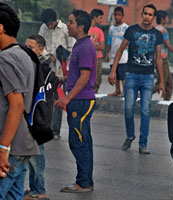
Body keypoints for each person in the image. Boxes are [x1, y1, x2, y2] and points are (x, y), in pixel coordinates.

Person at [108, 4, 165, 154]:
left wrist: (162, 81)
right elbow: (120, 50)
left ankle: (143, 144)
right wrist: (113, 71)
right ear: (142, 14)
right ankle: (130, 136)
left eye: (150, 14)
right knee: (128, 109)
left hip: (148, 77)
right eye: (145, 13)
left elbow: (158, 59)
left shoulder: (157, 35)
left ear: (153, 17)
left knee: (145, 110)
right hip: (131, 75)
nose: (147, 16)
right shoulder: (131, 30)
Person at [0, 3, 40, 199]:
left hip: (11, 148)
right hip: (24, 143)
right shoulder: (25, 54)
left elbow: (16, 104)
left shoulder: (5, 59)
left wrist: (2, 149)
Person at [55, 9, 97, 193]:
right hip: (78, 99)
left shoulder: (86, 47)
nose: (67, 25)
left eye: (71, 22)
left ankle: (84, 182)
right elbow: (78, 73)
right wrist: (64, 79)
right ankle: (85, 180)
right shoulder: (80, 45)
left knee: (78, 141)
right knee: (83, 141)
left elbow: (85, 77)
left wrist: (68, 97)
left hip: (81, 101)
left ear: (81, 27)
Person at [39, 8, 76, 139]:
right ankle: (47, 126)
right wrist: (49, 56)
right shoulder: (43, 28)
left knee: (60, 97)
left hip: (64, 67)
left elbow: (72, 46)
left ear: (56, 19)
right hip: (49, 66)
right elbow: (40, 44)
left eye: (51, 24)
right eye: (47, 24)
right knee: (48, 97)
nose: (49, 26)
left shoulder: (65, 28)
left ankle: (56, 130)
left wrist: (62, 56)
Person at [23, 34, 51, 200]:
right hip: (30, 118)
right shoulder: (31, 65)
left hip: (37, 119)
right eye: (26, 46)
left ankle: (39, 190)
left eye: (31, 47)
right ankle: (34, 188)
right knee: (32, 157)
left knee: (36, 157)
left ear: (41, 50)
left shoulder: (42, 68)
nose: (27, 50)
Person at [105, 6, 129, 97]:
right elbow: (109, 41)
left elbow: (130, 40)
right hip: (113, 54)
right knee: (115, 74)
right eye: (115, 14)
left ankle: (125, 91)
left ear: (122, 16)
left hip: (123, 55)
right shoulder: (111, 28)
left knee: (123, 74)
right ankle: (117, 90)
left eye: (119, 15)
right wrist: (107, 53)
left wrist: (127, 47)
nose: (117, 16)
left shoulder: (126, 27)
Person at [89, 9, 105, 94]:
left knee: (97, 77)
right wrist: (95, 45)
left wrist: (90, 46)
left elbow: (102, 46)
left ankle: (95, 92)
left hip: (98, 57)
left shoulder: (99, 31)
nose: (101, 20)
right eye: (100, 18)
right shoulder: (86, 29)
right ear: (94, 17)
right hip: (87, 57)